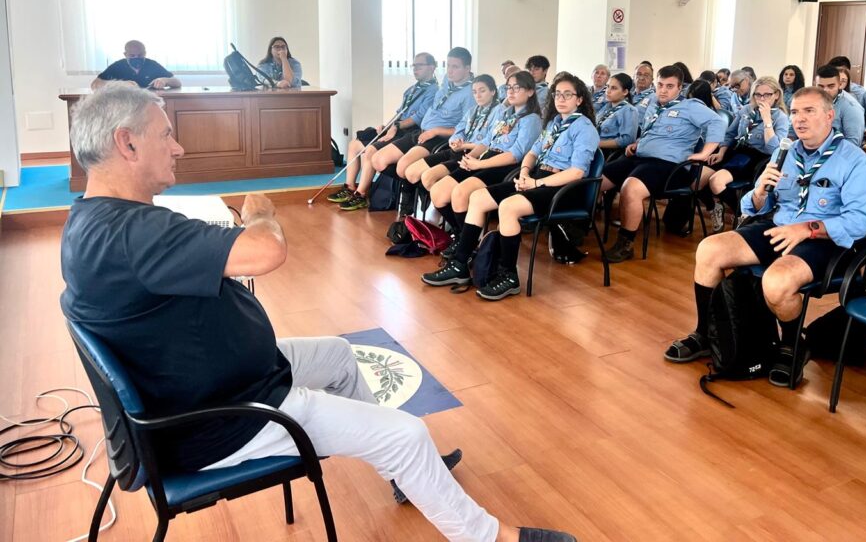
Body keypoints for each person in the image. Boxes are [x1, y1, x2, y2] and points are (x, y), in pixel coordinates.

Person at [59, 83, 575, 542]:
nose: (178, 146)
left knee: (339, 355)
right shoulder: (133, 233)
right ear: (127, 143)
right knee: (408, 434)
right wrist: (258, 210)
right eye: (166, 134)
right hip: (222, 417)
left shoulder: (94, 221)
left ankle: (407, 477)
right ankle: (489, 537)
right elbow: (265, 250)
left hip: (209, 382)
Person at [664, 86, 866, 387]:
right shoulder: (785, 151)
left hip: (825, 239)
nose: (799, 119)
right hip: (780, 225)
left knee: (775, 282)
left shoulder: (853, 159)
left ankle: (792, 345)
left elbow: (860, 220)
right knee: (710, 249)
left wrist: (806, 229)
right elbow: (757, 206)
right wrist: (761, 190)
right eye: (796, 112)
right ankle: (705, 333)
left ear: (830, 116)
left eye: (809, 111)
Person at [421, 73, 599, 300]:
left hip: (563, 189)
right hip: (536, 179)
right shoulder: (555, 123)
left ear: (580, 99)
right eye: (557, 94)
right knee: (477, 199)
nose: (561, 98)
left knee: (508, 207)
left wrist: (536, 182)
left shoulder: (584, 128)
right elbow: (533, 152)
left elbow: (577, 172)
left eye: (568, 94)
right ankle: (459, 266)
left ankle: (509, 276)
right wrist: (525, 173)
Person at [600, 65, 725, 263]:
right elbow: (653, 131)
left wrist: (705, 153)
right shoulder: (653, 103)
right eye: (660, 85)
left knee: (630, 188)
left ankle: (626, 244)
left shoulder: (690, 106)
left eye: (669, 86)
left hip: (667, 165)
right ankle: (574, 228)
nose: (663, 90)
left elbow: (717, 123)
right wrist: (638, 143)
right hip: (640, 157)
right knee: (596, 181)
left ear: (679, 88)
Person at [339, 48, 475, 212]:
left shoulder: (471, 93)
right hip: (422, 132)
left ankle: (411, 198)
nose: (450, 71)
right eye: (448, 66)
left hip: (438, 138)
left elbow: (465, 129)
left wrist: (436, 131)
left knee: (403, 167)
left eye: (456, 67)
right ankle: (406, 186)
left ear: (467, 68)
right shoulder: (447, 80)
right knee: (378, 160)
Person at [422, 71, 543, 236]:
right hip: (484, 157)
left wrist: (479, 163)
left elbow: (516, 154)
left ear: (530, 91)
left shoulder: (531, 119)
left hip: (503, 165)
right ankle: (460, 233)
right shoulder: (505, 114)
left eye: (517, 87)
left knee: (459, 193)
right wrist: (471, 157)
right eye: (509, 88)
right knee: (438, 192)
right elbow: (487, 141)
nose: (511, 92)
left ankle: (467, 241)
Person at [328, 52, 438, 205]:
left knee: (371, 149)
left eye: (420, 65)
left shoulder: (434, 91)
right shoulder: (412, 89)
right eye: (414, 65)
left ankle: (361, 194)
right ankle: (350, 187)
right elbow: (399, 113)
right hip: (396, 127)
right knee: (354, 144)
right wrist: (387, 126)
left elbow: (418, 118)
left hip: (410, 132)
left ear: (432, 67)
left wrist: (396, 127)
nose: (415, 69)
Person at [402, 74, 504, 220]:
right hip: (456, 150)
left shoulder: (499, 111)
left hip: (473, 154)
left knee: (430, 179)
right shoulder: (473, 110)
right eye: (474, 92)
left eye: (482, 91)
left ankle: (454, 218)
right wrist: (455, 141)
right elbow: (459, 130)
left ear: (493, 91)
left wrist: (465, 145)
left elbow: (489, 142)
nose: (478, 95)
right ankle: (447, 210)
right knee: (415, 173)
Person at [702, 76, 790, 233]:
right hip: (736, 151)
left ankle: (745, 213)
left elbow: (774, 150)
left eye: (767, 94)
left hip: (756, 158)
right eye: (757, 94)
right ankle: (714, 206)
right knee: (697, 176)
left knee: (716, 181)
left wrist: (767, 121)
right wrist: (721, 152)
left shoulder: (781, 118)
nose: (761, 99)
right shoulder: (746, 110)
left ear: (776, 95)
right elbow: (730, 134)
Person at [809, 64, 865, 146]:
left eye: (831, 86)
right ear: (815, 84)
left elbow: (853, 143)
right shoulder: (809, 100)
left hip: (837, 153)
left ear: (840, 84)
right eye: (821, 86)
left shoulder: (852, 107)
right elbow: (792, 130)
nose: (825, 90)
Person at [91, 40, 181, 90]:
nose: (136, 58)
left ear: (145, 53)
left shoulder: (152, 65)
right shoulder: (118, 66)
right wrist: (119, 84)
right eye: (132, 55)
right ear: (125, 55)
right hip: (125, 106)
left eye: (140, 55)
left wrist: (164, 80)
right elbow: (95, 84)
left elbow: (177, 82)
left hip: (150, 104)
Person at [596, 73, 639, 154]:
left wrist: (597, 144)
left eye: (614, 88)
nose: (608, 91)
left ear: (625, 92)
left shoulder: (629, 110)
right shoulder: (606, 107)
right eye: (607, 86)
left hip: (609, 153)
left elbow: (627, 140)